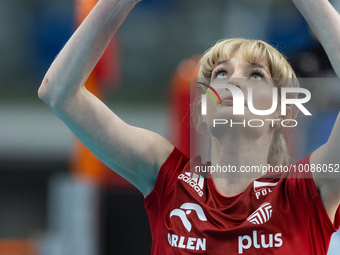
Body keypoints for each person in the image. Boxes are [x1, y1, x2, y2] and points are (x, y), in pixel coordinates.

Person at [38, 0, 340, 254]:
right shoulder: (168, 177)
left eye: (256, 75)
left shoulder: (308, 190)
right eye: (221, 73)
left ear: (281, 111)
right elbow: (59, 93)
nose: (233, 82)